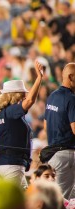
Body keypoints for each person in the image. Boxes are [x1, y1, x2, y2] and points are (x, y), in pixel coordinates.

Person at [0, 61, 44, 188]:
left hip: (5, 163)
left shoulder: (2, 113)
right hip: (12, 165)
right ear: (15, 96)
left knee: (24, 198)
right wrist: (39, 78)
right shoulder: (12, 110)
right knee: (12, 205)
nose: (25, 96)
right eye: (23, 94)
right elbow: (31, 100)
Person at [44, 62, 75, 199]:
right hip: (67, 156)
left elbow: (46, 126)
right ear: (71, 77)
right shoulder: (72, 99)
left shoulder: (52, 96)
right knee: (62, 202)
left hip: (53, 155)